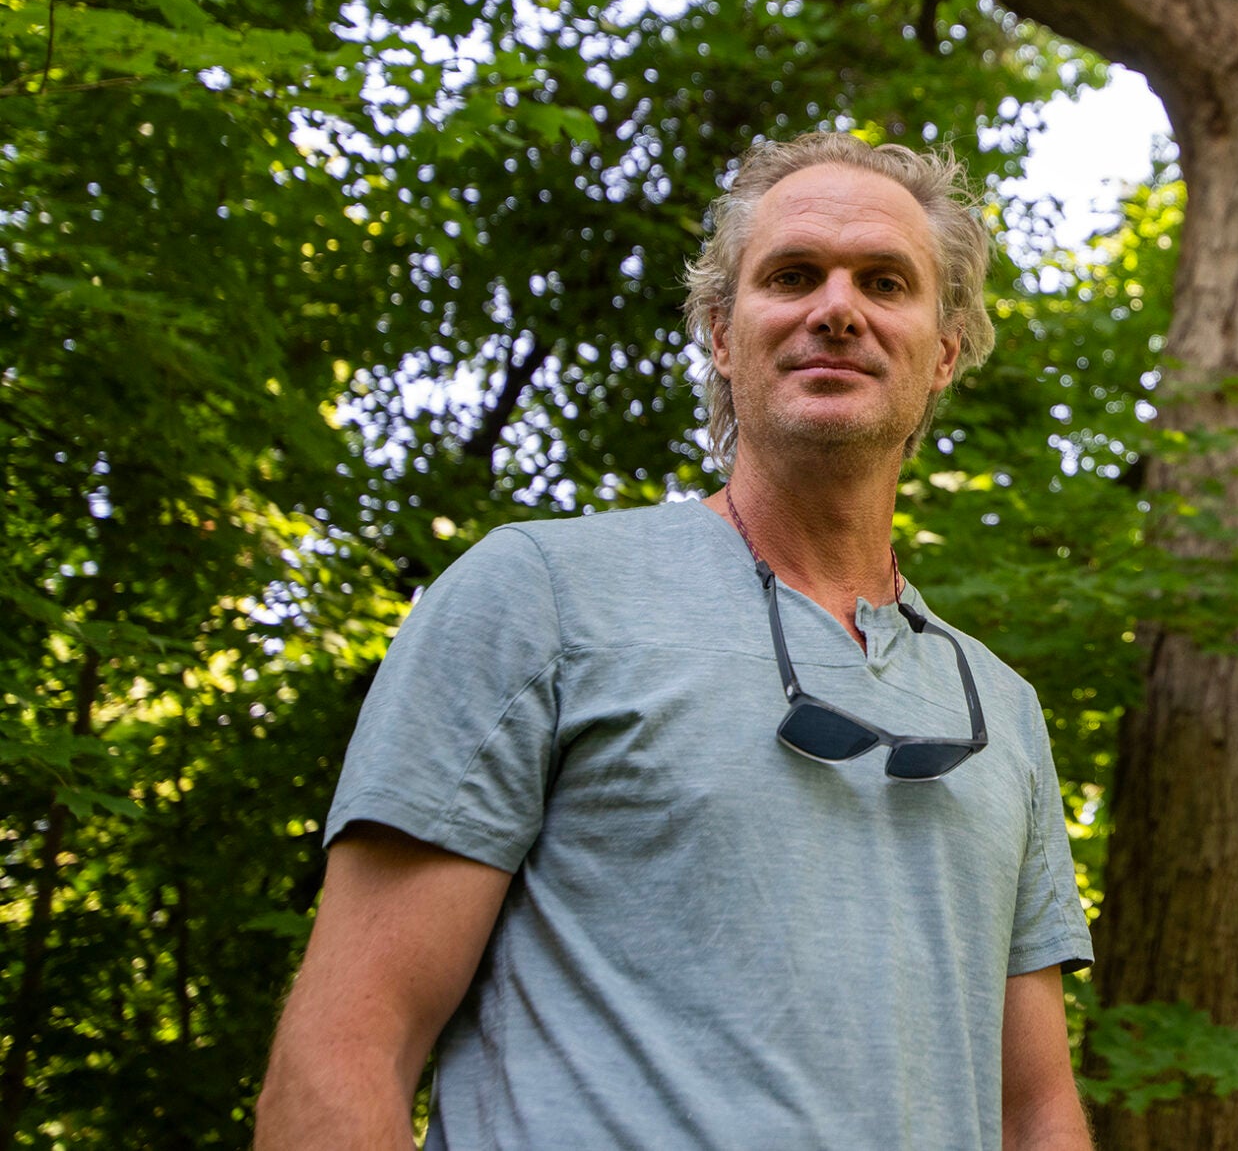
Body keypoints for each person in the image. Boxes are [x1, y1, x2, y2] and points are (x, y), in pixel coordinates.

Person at [255, 133, 1094, 1150]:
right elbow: (351, 1040)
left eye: (885, 280)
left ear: (946, 348)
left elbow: (1034, 1107)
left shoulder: (997, 705)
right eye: (791, 275)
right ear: (720, 332)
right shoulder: (542, 596)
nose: (838, 307)